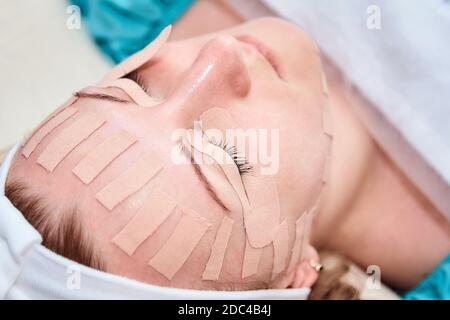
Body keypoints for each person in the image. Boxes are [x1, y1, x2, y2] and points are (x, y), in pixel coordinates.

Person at [1, 17, 449, 299]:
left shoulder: (135, 9)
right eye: (229, 157)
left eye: (134, 84)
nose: (218, 55)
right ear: (293, 278)